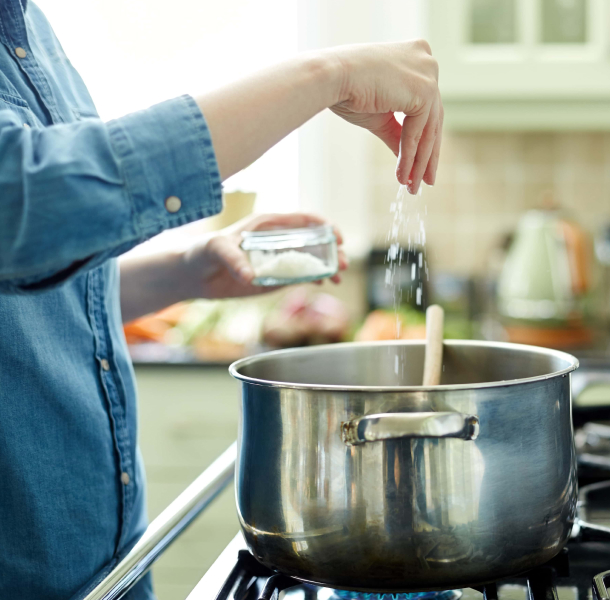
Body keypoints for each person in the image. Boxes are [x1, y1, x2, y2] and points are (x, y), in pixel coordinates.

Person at [0, 0, 443, 597]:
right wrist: (326, 74)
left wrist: (191, 271)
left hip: (112, 568)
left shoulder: (29, 31)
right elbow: (24, 196)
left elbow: (33, 277)